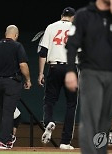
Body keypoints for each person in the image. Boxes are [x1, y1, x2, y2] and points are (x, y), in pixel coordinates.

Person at [64, 0, 112, 153]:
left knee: (105, 121)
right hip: (91, 72)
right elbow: (72, 44)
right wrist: (70, 71)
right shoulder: (84, 15)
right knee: (90, 119)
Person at [38, 7, 77, 150]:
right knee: (71, 104)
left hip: (54, 67)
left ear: (62, 16)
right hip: (71, 68)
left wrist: (41, 73)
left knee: (49, 100)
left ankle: (48, 121)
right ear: (73, 17)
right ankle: (65, 142)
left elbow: (43, 52)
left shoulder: (51, 26)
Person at [0, 25, 31, 149]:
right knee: (8, 112)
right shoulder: (17, 46)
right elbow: (23, 65)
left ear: (6, 33)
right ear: (16, 35)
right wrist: (28, 79)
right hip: (11, 82)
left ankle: (0, 140)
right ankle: (3, 141)